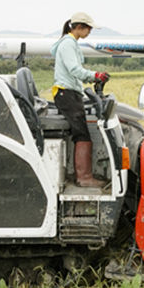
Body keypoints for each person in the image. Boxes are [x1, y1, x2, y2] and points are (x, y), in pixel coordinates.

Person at [50, 12, 111, 188]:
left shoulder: (70, 43)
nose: (90, 32)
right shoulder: (68, 44)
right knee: (82, 134)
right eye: (88, 28)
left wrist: (92, 76)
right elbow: (75, 70)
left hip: (69, 93)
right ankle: (84, 177)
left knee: (82, 132)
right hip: (66, 93)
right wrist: (95, 75)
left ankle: (84, 175)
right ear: (79, 27)